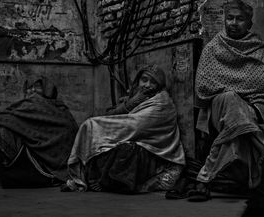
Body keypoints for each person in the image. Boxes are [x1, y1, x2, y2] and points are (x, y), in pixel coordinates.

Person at [191, 0, 264, 202]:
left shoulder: (261, 49)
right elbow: (204, 86)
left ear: (249, 24)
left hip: (255, 105)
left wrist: (226, 84)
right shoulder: (213, 48)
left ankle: (204, 179)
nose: (233, 22)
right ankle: (260, 148)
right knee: (231, 99)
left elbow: (261, 83)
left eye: (240, 19)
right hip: (219, 107)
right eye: (229, 18)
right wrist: (235, 89)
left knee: (235, 106)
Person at [63, 65, 185, 193]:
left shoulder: (162, 103)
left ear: (160, 85)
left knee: (127, 150)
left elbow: (135, 126)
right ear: (138, 80)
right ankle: (94, 178)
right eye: (144, 80)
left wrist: (98, 126)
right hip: (137, 140)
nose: (147, 85)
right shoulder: (138, 97)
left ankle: (106, 182)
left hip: (155, 153)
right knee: (100, 143)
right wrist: (131, 102)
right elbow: (110, 115)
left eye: (153, 82)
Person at [0, 77, 79, 188]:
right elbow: (8, 118)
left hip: (54, 161)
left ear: (47, 90)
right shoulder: (29, 105)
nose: (32, 91)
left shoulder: (59, 108)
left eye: (36, 87)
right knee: (3, 132)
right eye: (29, 88)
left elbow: (69, 132)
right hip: (35, 154)